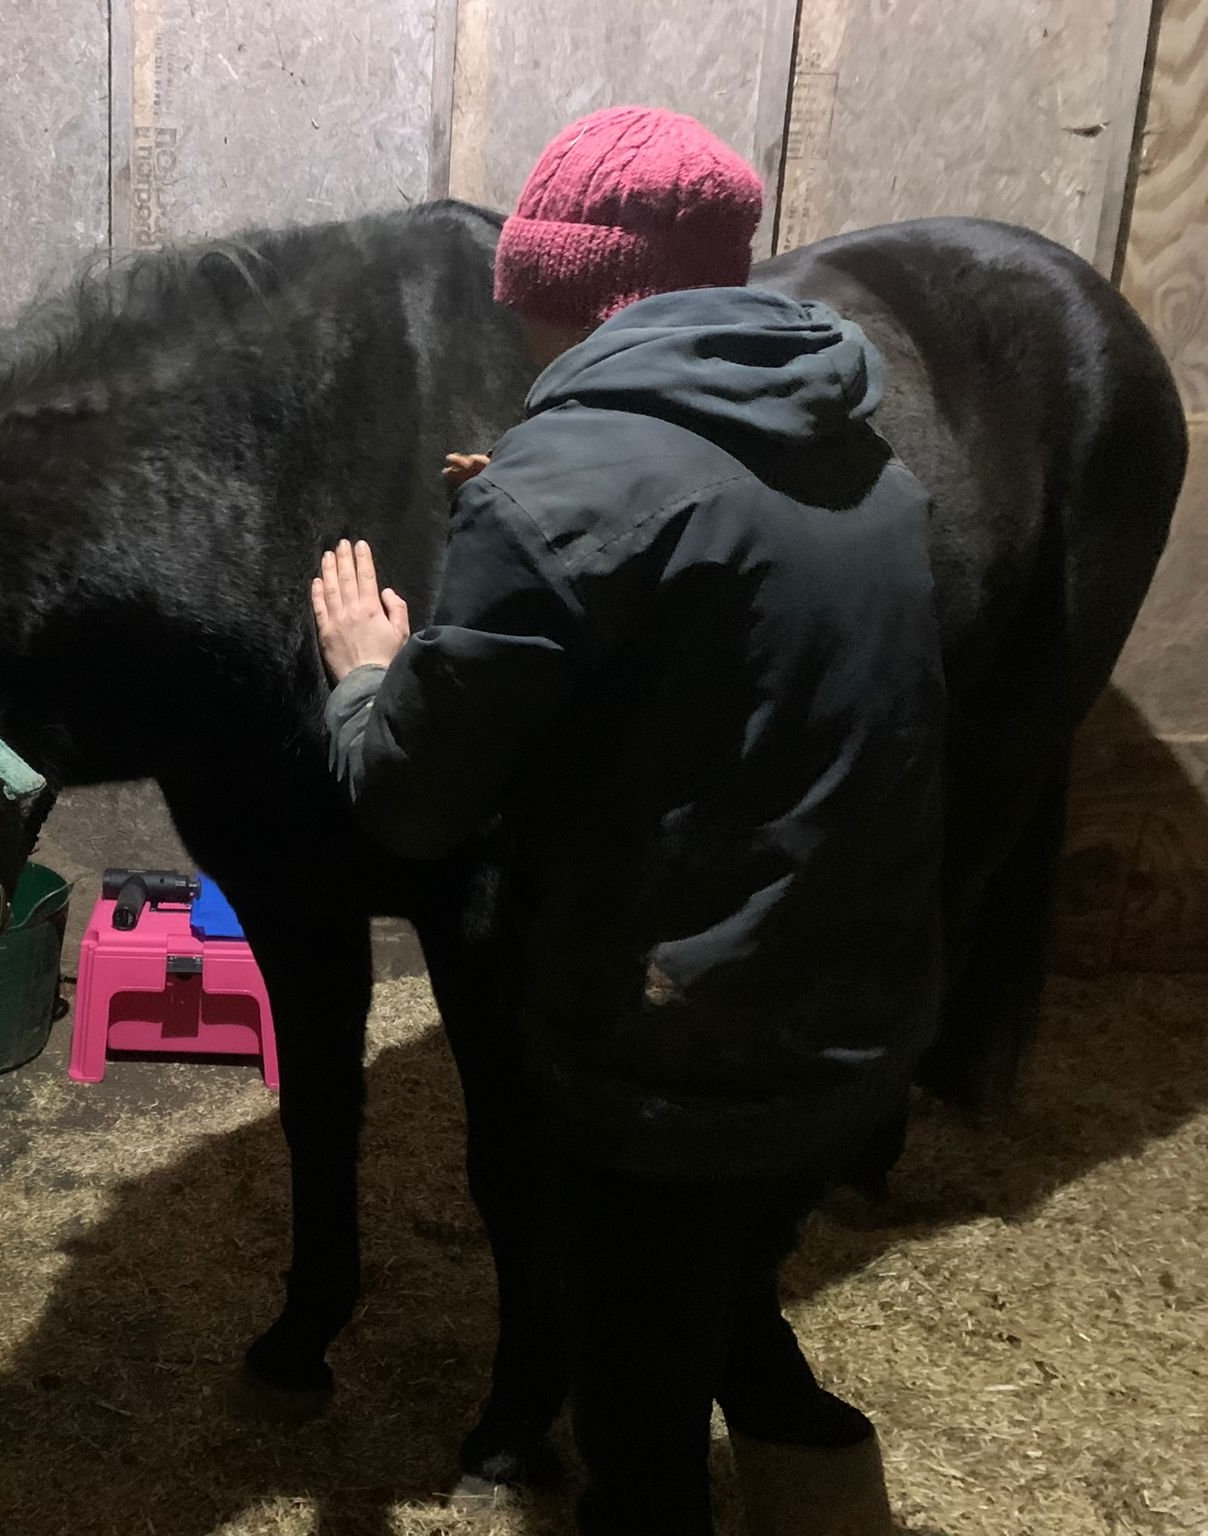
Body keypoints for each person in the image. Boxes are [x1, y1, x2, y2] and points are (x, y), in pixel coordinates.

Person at [310, 105, 943, 1536]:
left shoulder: (567, 488)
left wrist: (364, 669)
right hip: (854, 1029)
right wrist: (554, 521)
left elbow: (411, 802)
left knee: (640, 1433)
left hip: (671, 1076)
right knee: (736, 1304)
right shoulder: (867, 460)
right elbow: (725, 618)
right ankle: (822, 1495)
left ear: (552, 286)